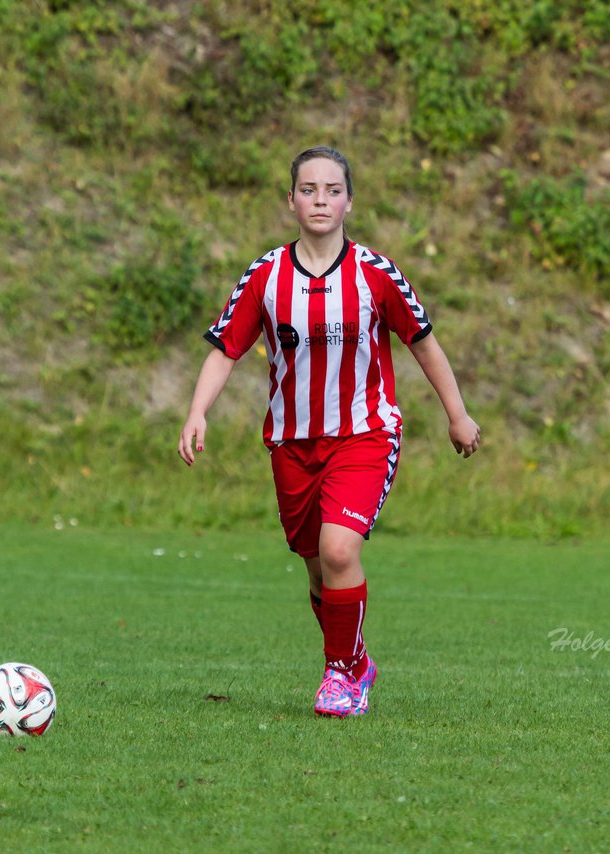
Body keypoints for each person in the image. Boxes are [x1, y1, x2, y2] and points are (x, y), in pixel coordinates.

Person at [178, 145, 481, 717]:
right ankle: (356, 657)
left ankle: (341, 676)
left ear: (349, 201)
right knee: (318, 570)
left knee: (339, 550)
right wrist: (198, 411)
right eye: (309, 190)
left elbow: (424, 343)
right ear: (290, 200)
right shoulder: (265, 275)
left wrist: (457, 414)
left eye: (332, 190)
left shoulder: (375, 274)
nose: (321, 199)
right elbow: (226, 349)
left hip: (364, 435)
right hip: (293, 444)